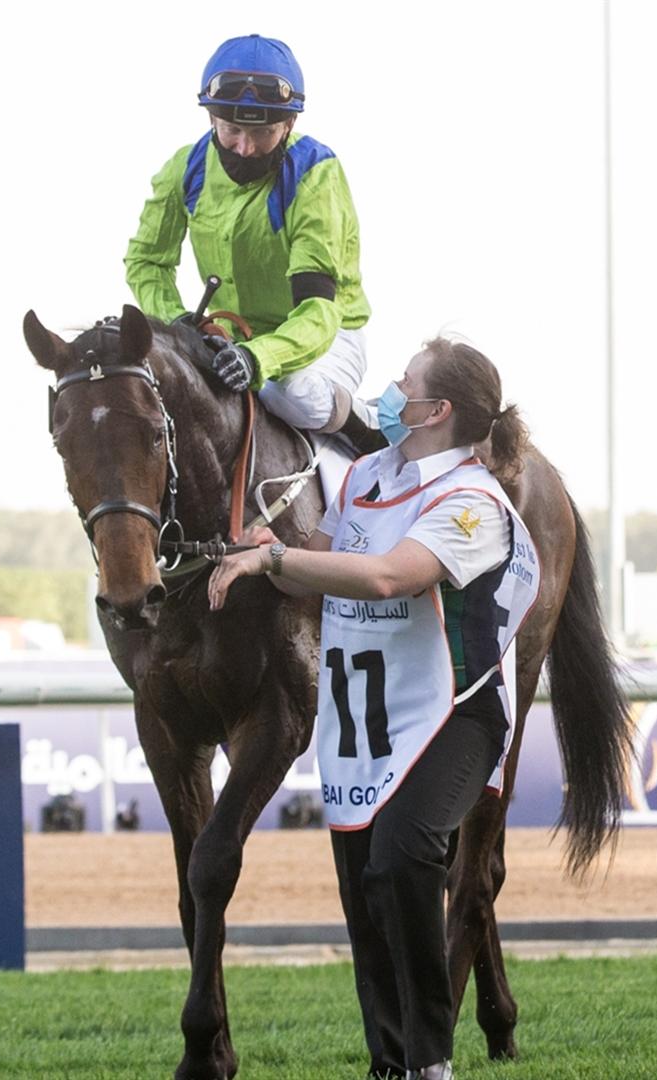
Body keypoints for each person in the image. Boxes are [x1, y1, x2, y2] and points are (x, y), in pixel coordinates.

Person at [207, 338, 540, 1080]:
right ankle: (389, 1064)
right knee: (367, 891)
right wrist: (267, 547)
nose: (391, 391)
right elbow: (313, 575)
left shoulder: (472, 501)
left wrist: (277, 560)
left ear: (436, 410)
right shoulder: (363, 474)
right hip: (366, 725)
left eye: (405, 383)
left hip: (457, 715)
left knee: (401, 857)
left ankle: (430, 1062)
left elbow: (391, 577)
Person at [125, 34, 378, 442]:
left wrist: (258, 356)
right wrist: (177, 321)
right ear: (212, 120)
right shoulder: (183, 169)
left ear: (290, 123)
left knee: (285, 391)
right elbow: (146, 262)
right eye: (232, 130)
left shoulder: (316, 174)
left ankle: (368, 427)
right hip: (231, 339)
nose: (244, 148)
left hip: (326, 337)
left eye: (262, 134)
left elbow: (318, 310)